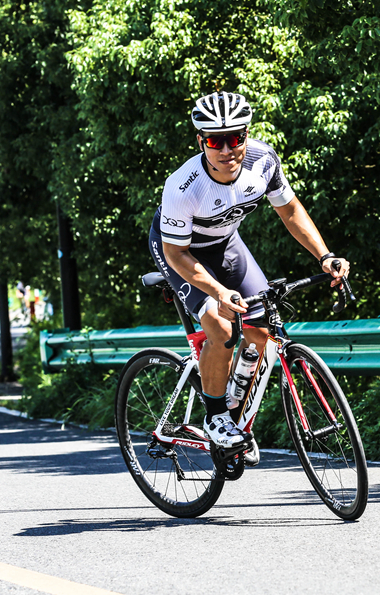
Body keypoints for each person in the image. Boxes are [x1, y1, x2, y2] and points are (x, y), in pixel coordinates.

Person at [148, 91, 350, 456]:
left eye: (236, 137)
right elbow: (175, 253)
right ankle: (215, 418)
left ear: (246, 135)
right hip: (182, 253)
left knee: (264, 333)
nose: (227, 149)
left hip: (226, 245)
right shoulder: (183, 186)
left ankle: (238, 417)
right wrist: (218, 293)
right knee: (223, 328)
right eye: (215, 141)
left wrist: (324, 255)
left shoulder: (263, 161)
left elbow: (290, 211)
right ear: (201, 142)